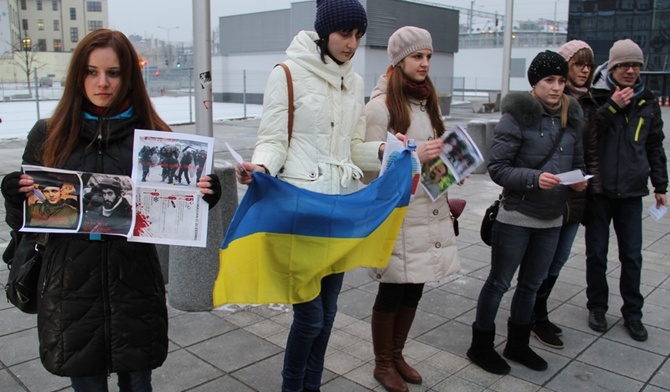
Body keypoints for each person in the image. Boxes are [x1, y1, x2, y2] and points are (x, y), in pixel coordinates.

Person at [0, 29, 221, 391]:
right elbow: (23, 224)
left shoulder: (153, 137)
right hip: (70, 288)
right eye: (91, 71)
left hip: (134, 286)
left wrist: (205, 194)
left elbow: (178, 213)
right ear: (78, 76)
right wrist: (15, 197)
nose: (102, 82)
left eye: (113, 73)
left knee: (138, 384)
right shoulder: (49, 134)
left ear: (128, 77)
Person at [234, 1, 387, 390]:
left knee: (330, 312)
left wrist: (385, 152)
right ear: (324, 32)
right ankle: (292, 386)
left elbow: (353, 148)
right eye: (344, 34)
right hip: (301, 208)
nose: (352, 44)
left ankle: (311, 386)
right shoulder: (287, 73)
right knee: (310, 317)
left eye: (358, 35)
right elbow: (271, 139)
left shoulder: (352, 81)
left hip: (339, 210)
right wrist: (262, 168)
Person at [466, 50, 587, 375]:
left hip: (552, 218)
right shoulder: (517, 116)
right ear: (534, 83)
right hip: (517, 216)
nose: (557, 87)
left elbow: (577, 164)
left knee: (531, 285)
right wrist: (534, 179)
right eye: (550, 80)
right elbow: (498, 169)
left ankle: (518, 344)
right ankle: (480, 345)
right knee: (499, 282)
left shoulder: (571, 117)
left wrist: (578, 182)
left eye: (561, 80)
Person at [364, 26, 460, 392]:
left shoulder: (428, 102)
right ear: (398, 61)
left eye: (428, 56)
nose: (424, 63)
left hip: (429, 208)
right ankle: (383, 362)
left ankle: (397, 352)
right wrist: (413, 157)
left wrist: (451, 171)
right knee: (392, 289)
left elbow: (436, 153)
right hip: (398, 214)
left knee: (415, 286)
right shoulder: (379, 107)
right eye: (417, 56)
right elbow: (370, 170)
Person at [585, 39, 668, 342]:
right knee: (597, 253)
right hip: (600, 191)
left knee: (632, 256)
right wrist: (612, 107)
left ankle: (633, 313)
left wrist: (661, 185)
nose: (631, 70)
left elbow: (655, 145)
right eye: (624, 65)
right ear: (613, 67)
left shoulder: (648, 101)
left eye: (636, 65)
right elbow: (588, 134)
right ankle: (597, 307)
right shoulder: (596, 96)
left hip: (632, 192)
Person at [529, 40, 600, 349]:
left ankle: (539, 312)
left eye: (588, 64)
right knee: (540, 263)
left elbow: (591, 151)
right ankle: (531, 314)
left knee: (558, 261)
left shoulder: (590, 103)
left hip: (576, 194)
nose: (584, 70)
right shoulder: (549, 102)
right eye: (577, 64)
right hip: (547, 195)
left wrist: (591, 187)